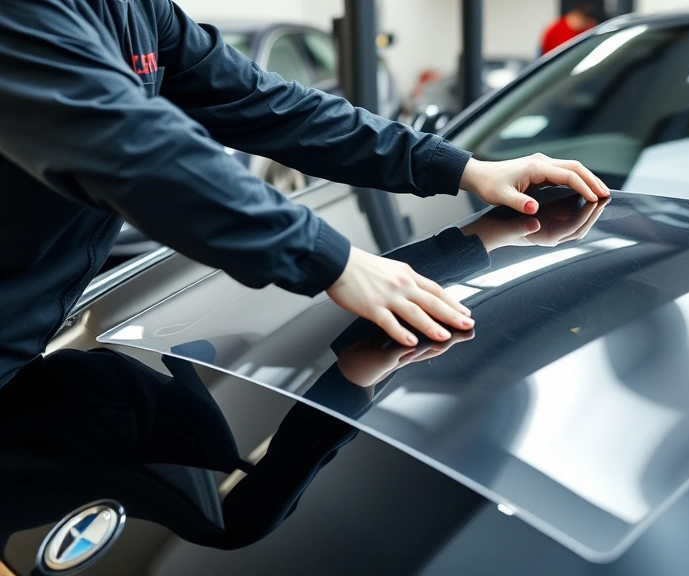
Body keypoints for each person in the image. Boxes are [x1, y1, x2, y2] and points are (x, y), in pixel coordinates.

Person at [0, 0, 610, 390]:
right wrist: (331, 259)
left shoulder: (137, 10)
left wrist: (460, 166)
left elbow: (270, 106)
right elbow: (132, 147)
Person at [541, 0, 606, 55]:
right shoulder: (556, 32)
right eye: (587, 21)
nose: (590, 24)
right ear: (577, 15)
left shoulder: (588, 30)